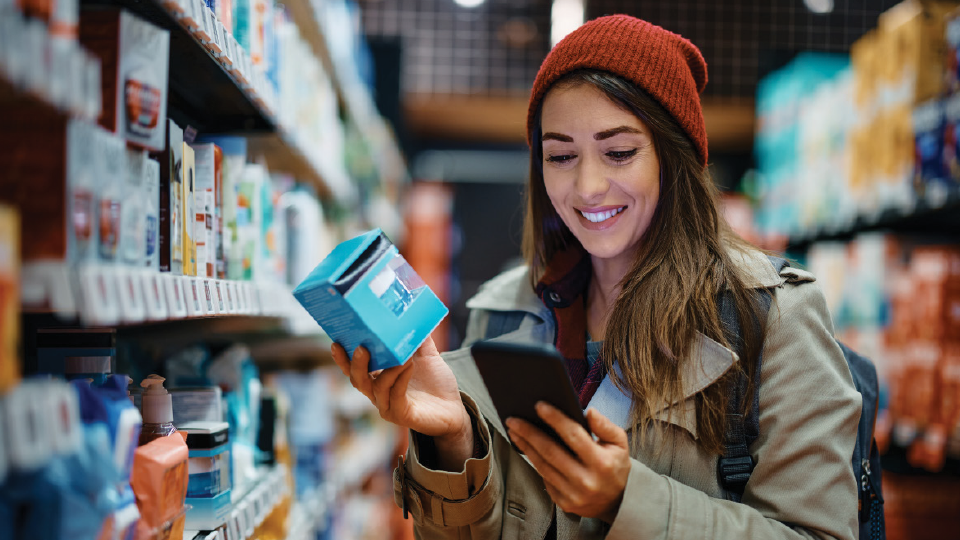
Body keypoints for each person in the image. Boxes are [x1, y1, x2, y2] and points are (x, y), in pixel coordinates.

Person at [331, 14, 862, 540]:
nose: (587, 186)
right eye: (561, 155)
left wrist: (628, 501)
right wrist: (455, 440)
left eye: (620, 152)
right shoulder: (504, 310)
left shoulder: (772, 317)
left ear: (674, 158)